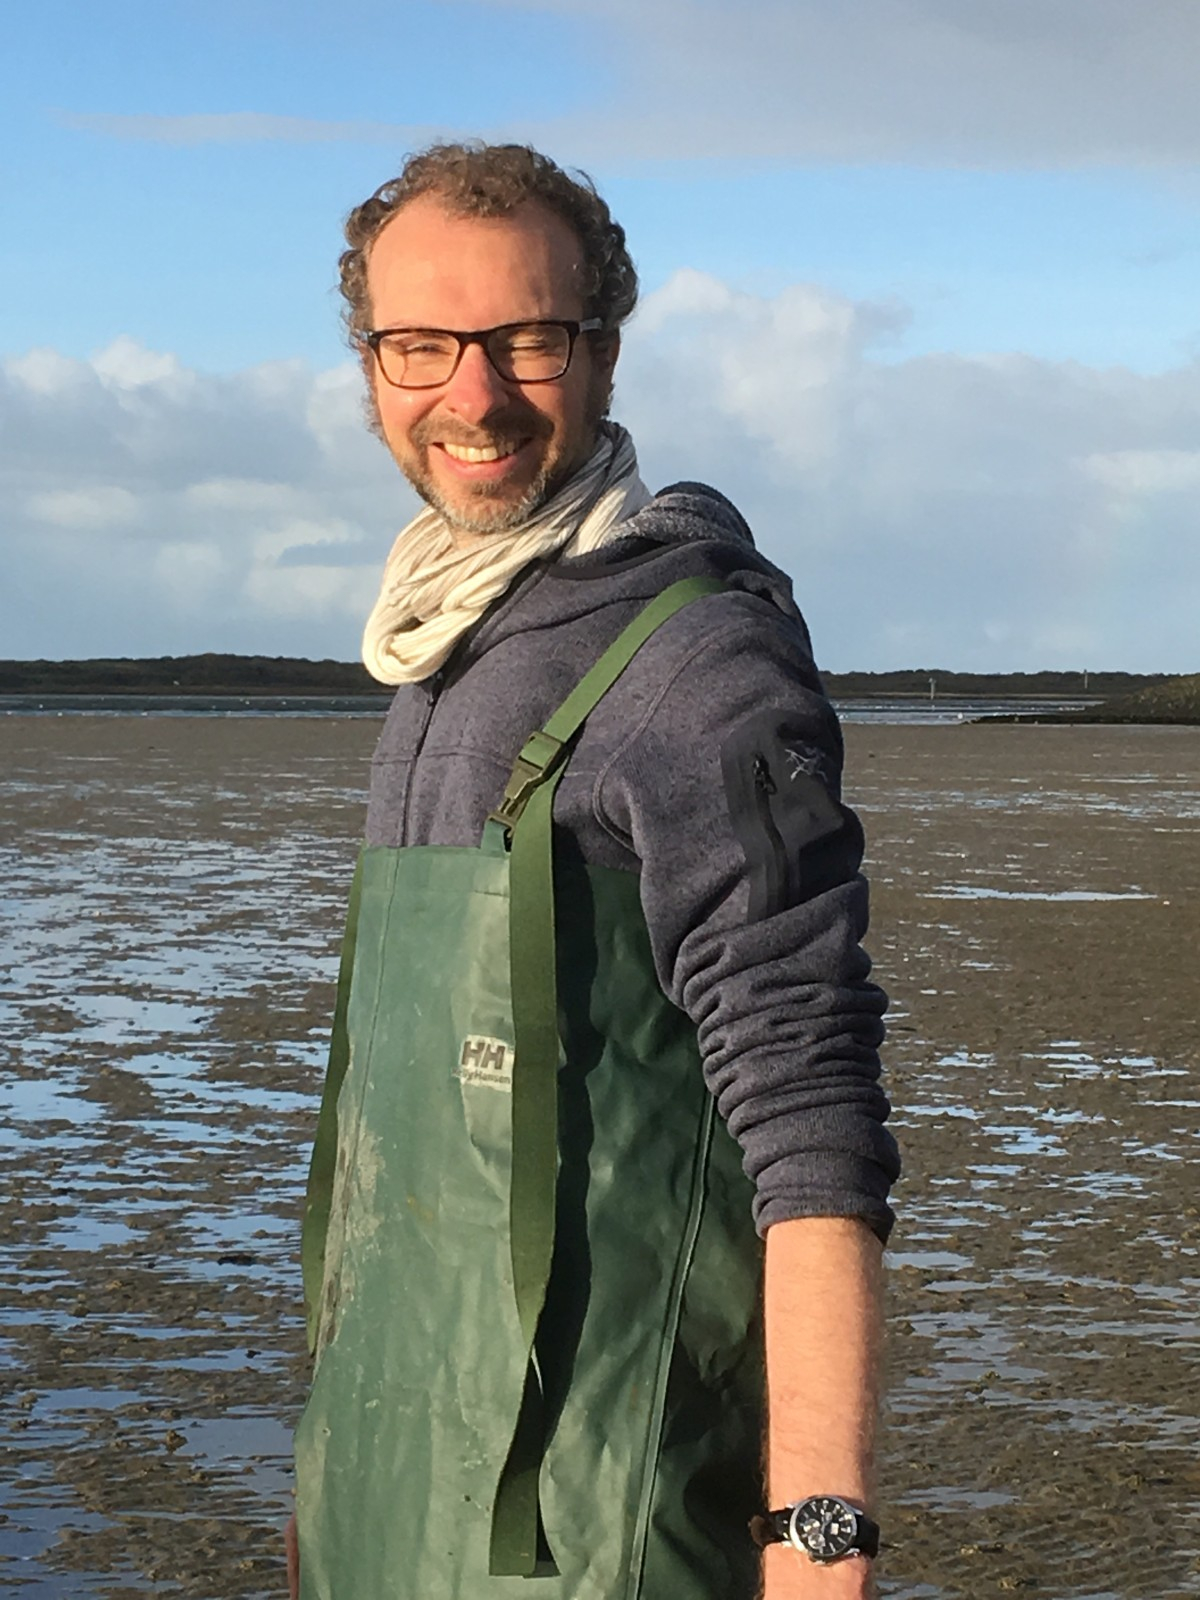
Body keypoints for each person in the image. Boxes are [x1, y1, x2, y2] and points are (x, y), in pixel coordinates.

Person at [288, 141, 900, 1600]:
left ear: (606, 349)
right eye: (422, 345)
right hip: (394, 1491)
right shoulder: (449, 645)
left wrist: (820, 1535)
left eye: (527, 340)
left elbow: (813, 1112)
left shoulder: (695, 666)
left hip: (599, 1524)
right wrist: (334, 1473)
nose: (474, 396)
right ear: (371, 362)